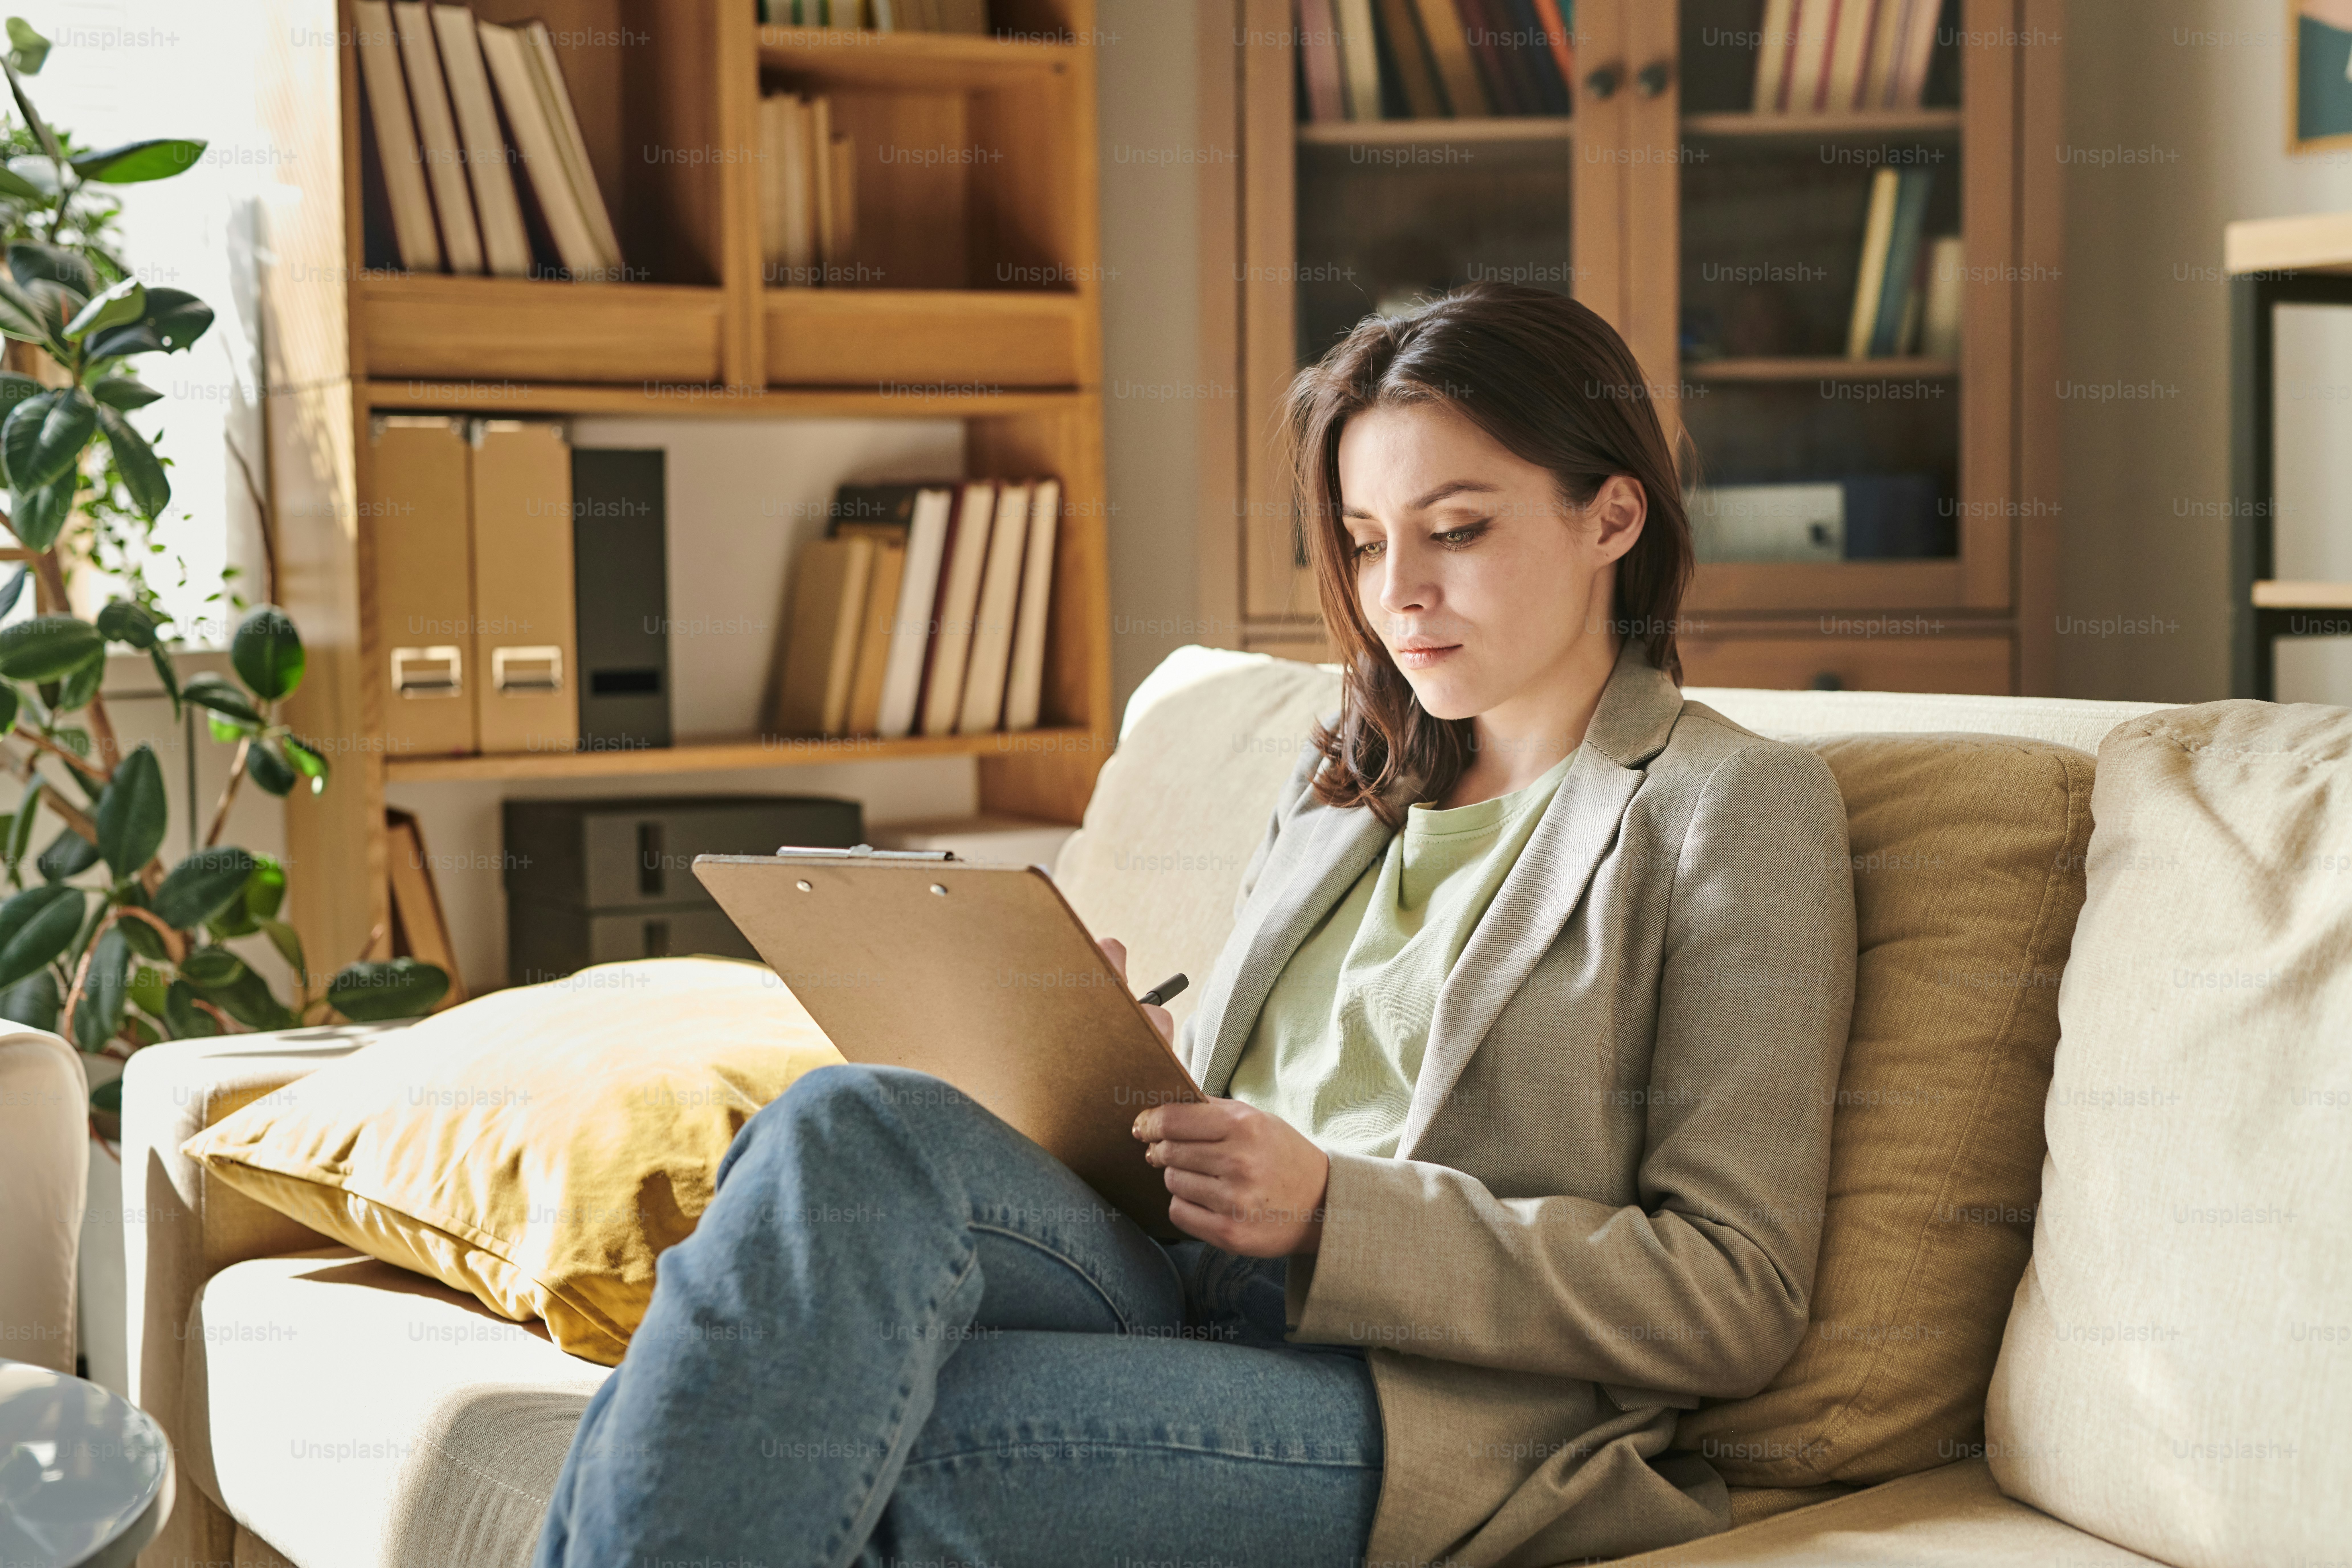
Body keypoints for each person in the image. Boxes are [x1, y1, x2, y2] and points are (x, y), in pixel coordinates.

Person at [531, 283, 1857, 1568]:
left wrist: (1336, 1208)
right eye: (1362, 536)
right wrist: (1097, 1059)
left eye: (1456, 529)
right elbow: (1238, 1101)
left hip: (1434, 1405)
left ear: (1612, 514)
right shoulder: (1344, 774)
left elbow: (1731, 1292)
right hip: (1178, 1270)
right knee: (844, 1124)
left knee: (812, 1425)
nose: (1399, 590)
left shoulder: (1729, 805)